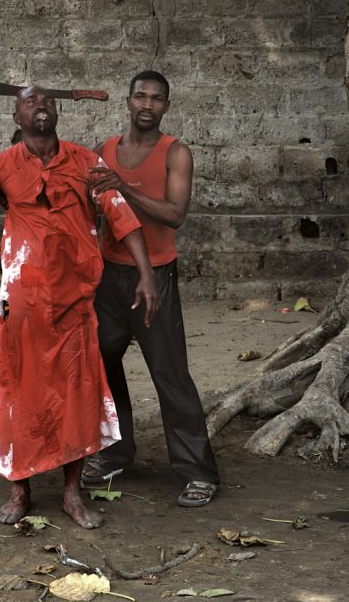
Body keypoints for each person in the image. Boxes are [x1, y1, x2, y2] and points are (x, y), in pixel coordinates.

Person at [0, 85, 160, 529]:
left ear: (57, 114)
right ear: (16, 117)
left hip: (76, 299)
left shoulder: (85, 162)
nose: (41, 107)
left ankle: (71, 493)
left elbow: (119, 214)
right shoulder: (2, 167)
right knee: (18, 389)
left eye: (48, 102)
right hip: (22, 298)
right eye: (30, 102)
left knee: (76, 390)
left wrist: (146, 273)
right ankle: (20, 490)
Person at [86, 70, 220, 507]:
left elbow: (175, 214)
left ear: (166, 106)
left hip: (156, 276)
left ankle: (197, 472)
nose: (147, 105)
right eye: (140, 96)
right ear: (127, 102)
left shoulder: (174, 153)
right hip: (109, 277)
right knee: (102, 365)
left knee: (170, 374)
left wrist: (122, 186)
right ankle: (116, 452)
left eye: (156, 99)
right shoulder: (104, 151)